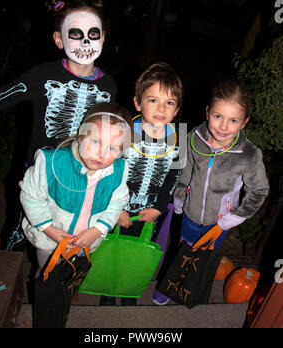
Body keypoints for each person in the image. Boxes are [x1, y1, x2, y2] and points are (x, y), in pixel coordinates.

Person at [0, 0, 117, 251]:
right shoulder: (41, 75)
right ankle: (7, 275)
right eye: (75, 34)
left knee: (69, 233)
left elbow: (111, 132)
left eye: (93, 34)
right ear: (59, 39)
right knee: (22, 228)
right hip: (41, 171)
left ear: (103, 38)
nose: (86, 42)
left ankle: (57, 284)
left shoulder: (108, 86)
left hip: (81, 174)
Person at [154, 78, 270, 305]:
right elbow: (184, 170)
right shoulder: (193, 139)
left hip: (219, 222)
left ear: (244, 122)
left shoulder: (249, 154)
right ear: (207, 112)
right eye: (218, 116)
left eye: (233, 120)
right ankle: (169, 286)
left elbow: (259, 190)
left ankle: (192, 291)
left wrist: (233, 217)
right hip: (190, 214)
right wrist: (179, 197)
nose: (223, 126)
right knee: (183, 251)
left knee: (204, 258)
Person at [100, 62, 186, 306]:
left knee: (135, 254)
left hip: (150, 211)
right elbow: (110, 171)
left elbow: (174, 176)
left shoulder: (180, 136)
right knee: (113, 250)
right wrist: (116, 209)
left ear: (177, 109)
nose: (161, 108)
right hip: (118, 208)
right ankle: (107, 291)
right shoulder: (124, 131)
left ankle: (129, 292)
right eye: (153, 100)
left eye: (169, 103)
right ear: (138, 103)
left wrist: (159, 206)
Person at [20, 102, 132, 279]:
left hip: (87, 241)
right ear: (81, 135)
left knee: (72, 272)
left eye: (112, 148)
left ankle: (69, 289)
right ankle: (43, 294)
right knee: (46, 274)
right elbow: (31, 197)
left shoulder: (118, 170)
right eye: (96, 142)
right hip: (50, 241)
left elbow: (117, 202)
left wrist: (97, 230)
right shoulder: (50, 163)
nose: (102, 154)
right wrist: (49, 230)